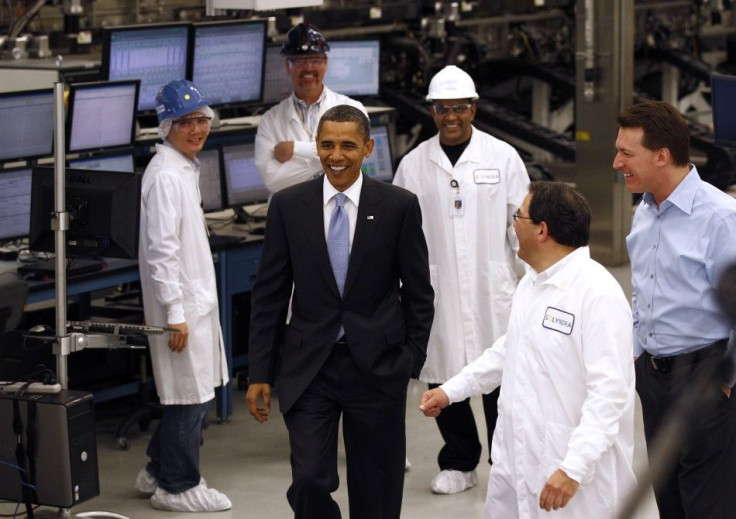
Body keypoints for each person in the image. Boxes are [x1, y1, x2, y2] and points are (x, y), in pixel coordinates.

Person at [246, 104, 435, 519]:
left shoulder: (398, 206)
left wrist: (410, 361)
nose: (337, 155)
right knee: (310, 480)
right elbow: (270, 295)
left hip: (377, 367)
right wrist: (260, 372)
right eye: (328, 144)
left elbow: (419, 292)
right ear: (316, 146)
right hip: (310, 366)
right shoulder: (288, 205)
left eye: (348, 145)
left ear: (368, 148)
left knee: (377, 491)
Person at [419, 181, 638, 518]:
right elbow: (510, 350)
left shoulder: (597, 294)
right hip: (518, 462)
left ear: (541, 231)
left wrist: (573, 469)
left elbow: (609, 395)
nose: (513, 225)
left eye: (518, 216)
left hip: (570, 476)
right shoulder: (531, 283)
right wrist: (451, 391)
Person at [393, 65, 529, 494]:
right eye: (441, 109)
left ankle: (504, 463)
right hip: (438, 291)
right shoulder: (413, 165)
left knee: (500, 379)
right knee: (445, 376)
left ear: (473, 108)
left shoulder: (502, 157)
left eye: (459, 108)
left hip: (494, 288)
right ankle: (459, 461)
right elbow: (398, 233)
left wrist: (535, 281)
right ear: (431, 111)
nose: (450, 116)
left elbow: (520, 225)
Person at [614, 100, 736, 518]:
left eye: (627, 154)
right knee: (670, 502)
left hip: (706, 380)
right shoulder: (645, 212)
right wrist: (636, 351)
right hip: (654, 378)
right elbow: (640, 289)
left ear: (661, 156)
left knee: (708, 505)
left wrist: (725, 382)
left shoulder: (720, 217)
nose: (617, 162)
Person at [135, 79, 231, 513]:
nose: (196, 129)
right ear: (166, 126)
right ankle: (177, 485)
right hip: (181, 310)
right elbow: (161, 252)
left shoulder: (181, 169)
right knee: (188, 397)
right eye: (186, 122)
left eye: (201, 120)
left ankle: (158, 467)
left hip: (193, 305)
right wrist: (175, 313)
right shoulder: (166, 177)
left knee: (192, 394)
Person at [255, 22, 367, 194]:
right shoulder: (270, 120)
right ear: (288, 66)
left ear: (326, 63)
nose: (308, 68)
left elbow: (353, 164)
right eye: (300, 61)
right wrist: (327, 160)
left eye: (315, 60)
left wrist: (294, 149)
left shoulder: (352, 109)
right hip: (290, 214)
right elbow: (272, 181)